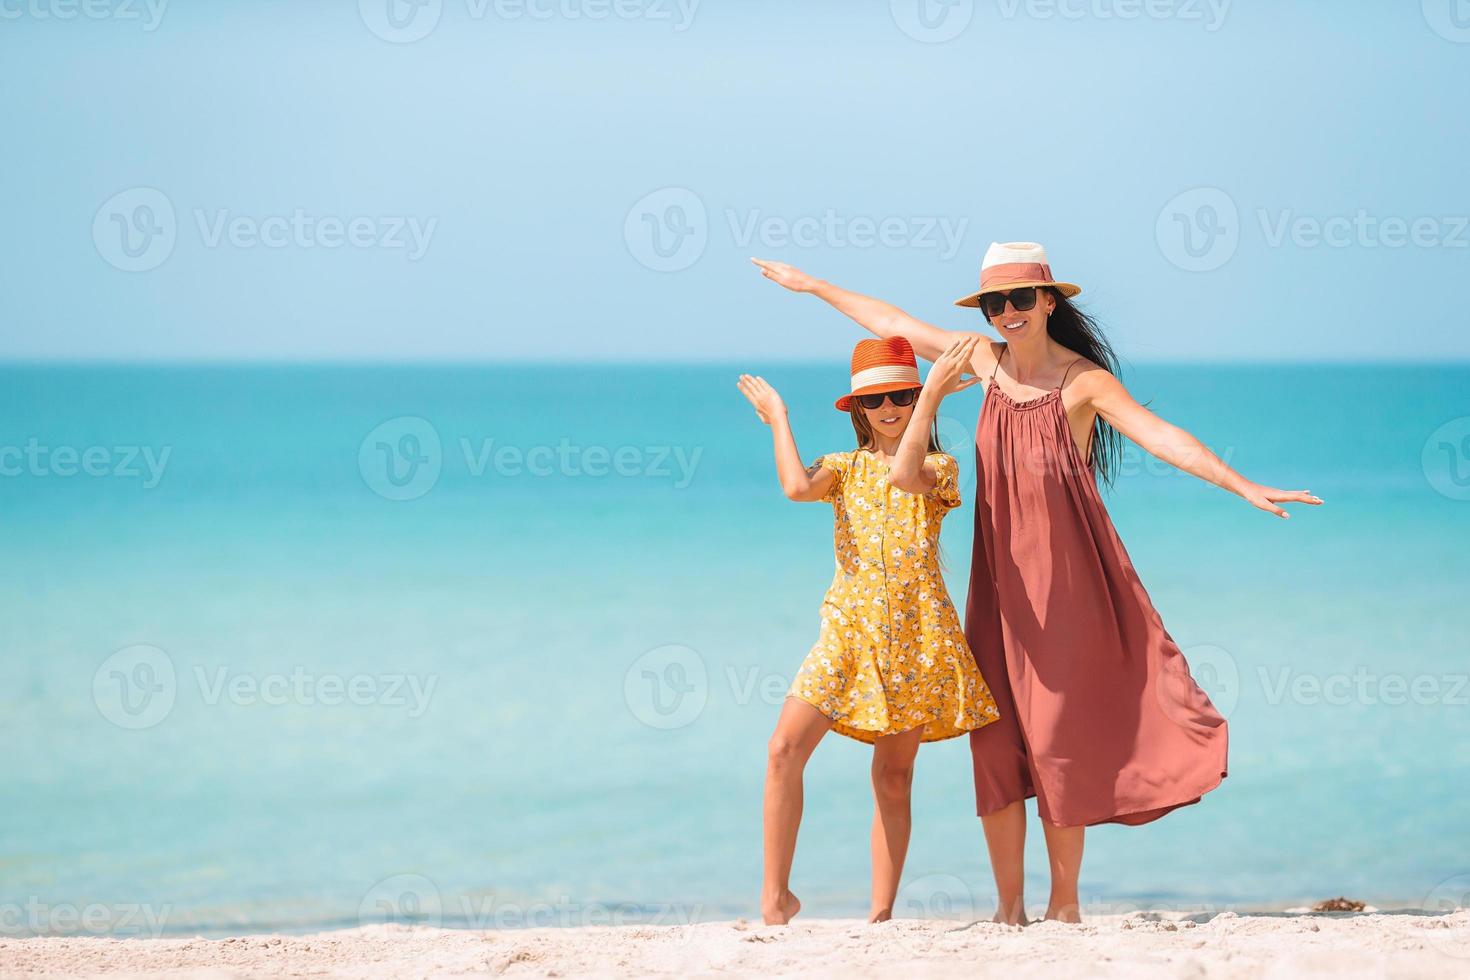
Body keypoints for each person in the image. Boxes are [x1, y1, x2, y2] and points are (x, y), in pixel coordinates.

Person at [752, 242, 1322, 924]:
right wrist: (812, 284)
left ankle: (1065, 904)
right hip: (996, 589)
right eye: (995, 302)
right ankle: (1009, 909)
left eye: (1021, 298)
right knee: (993, 746)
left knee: (1056, 739)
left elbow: (1159, 435)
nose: (1008, 313)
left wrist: (1241, 484)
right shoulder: (983, 365)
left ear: (1050, 301)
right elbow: (890, 321)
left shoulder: (1083, 382)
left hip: (1066, 587)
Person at [736, 335, 1001, 926]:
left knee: (893, 775)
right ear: (857, 410)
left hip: (916, 638)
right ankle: (775, 900)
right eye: (876, 400)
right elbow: (795, 488)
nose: (889, 407)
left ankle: (880, 914)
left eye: (901, 395)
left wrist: (930, 398)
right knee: (782, 750)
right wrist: (779, 418)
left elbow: (906, 476)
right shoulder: (841, 468)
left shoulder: (940, 467)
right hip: (846, 635)